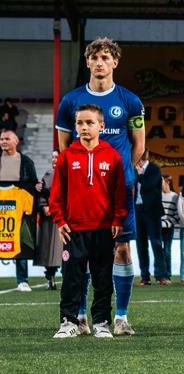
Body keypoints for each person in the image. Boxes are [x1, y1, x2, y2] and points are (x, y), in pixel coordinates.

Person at [55, 37, 145, 334]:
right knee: (80, 255)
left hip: (118, 193)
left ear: (115, 62)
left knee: (121, 251)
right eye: (95, 57)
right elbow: (65, 149)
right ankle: (79, 318)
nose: (100, 62)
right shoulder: (70, 101)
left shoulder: (130, 101)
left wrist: (123, 174)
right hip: (82, 195)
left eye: (106, 57)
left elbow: (139, 145)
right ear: (87, 62)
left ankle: (119, 317)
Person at [50, 104, 127, 339]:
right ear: (74, 126)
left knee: (103, 278)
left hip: (103, 228)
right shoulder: (66, 156)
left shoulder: (112, 156)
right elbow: (57, 193)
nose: (84, 127)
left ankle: (101, 322)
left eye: (90, 122)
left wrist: (117, 218)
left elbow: (119, 193)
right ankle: (69, 321)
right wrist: (59, 218)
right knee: (72, 277)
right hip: (74, 229)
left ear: (101, 126)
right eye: (80, 123)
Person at [0, 129, 40, 292]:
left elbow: (34, 183)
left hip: (19, 205)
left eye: (7, 139)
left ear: (16, 141)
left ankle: (22, 280)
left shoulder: (27, 162)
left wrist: (36, 187)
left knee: (19, 242)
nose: (3, 141)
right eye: (1, 139)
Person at [134, 157, 170, 284]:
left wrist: (139, 175)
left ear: (143, 158)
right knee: (141, 245)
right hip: (137, 210)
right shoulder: (133, 168)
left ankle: (161, 276)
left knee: (156, 244)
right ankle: (145, 277)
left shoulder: (154, 169)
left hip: (152, 212)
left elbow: (149, 185)